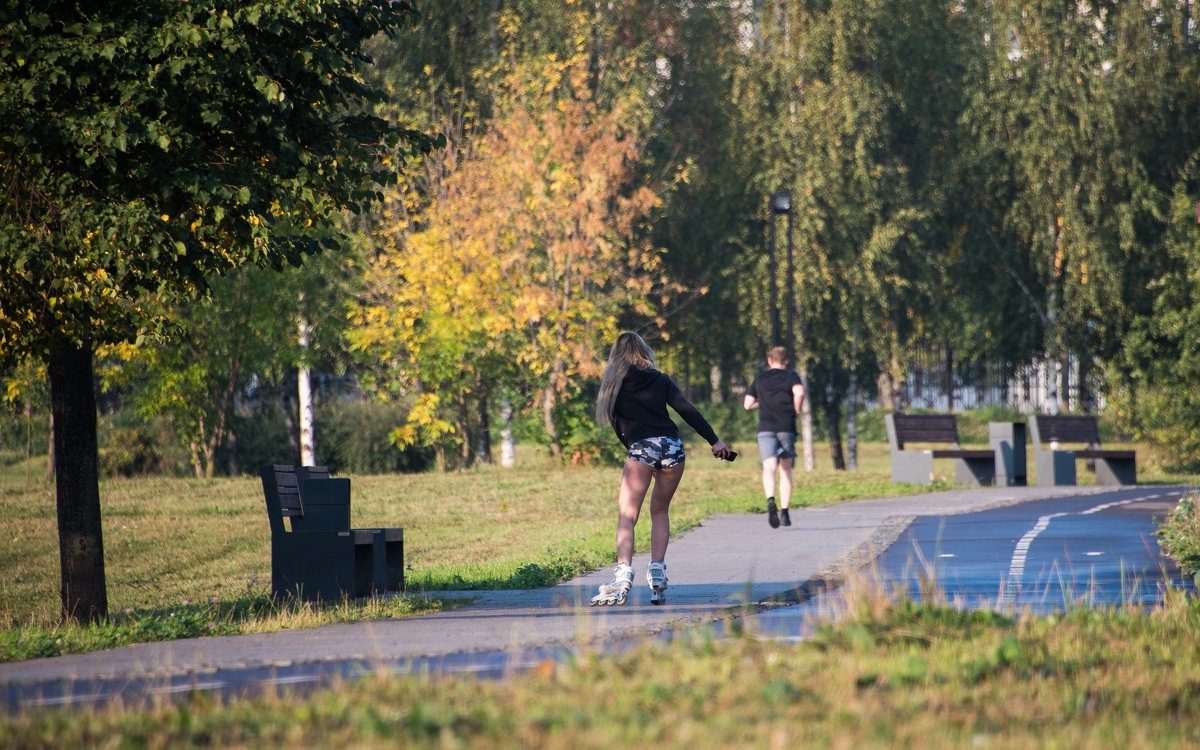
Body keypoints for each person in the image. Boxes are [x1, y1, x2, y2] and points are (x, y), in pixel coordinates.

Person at [592, 331, 734, 606]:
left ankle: (623, 576)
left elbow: (618, 425)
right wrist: (714, 441)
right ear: (644, 351)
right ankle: (657, 572)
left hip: (642, 449)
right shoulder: (660, 379)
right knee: (659, 511)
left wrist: (633, 449)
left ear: (616, 355)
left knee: (627, 515)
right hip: (672, 448)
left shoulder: (614, 382)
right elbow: (688, 410)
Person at [743, 345, 805, 528]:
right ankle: (785, 513)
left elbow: (747, 404)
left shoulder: (760, 378)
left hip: (765, 427)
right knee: (785, 470)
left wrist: (763, 404)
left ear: (769, 360)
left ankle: (771, 499)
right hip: (786, 425)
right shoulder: (791, 375)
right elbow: (799, 392)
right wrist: (797, 408)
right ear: (786, 361)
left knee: (768, 467)